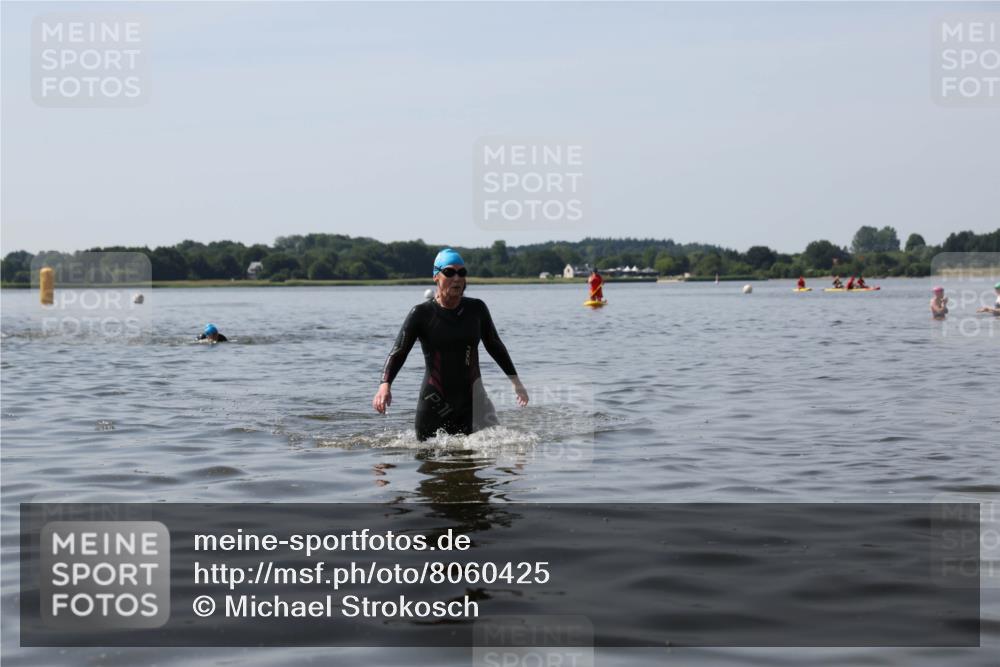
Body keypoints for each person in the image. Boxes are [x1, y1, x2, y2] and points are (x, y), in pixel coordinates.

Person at [372, 248, 529, 441]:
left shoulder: (476, 309)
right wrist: (385, 384)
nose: (457, 278)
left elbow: (494, 344)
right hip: (434, 402)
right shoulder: (421, 314)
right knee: (429, 461)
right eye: (449, 272)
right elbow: (399, 351)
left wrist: (516, 382)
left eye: (462, 273)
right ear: (436, 276)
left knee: (499, 452)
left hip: (474, 401)